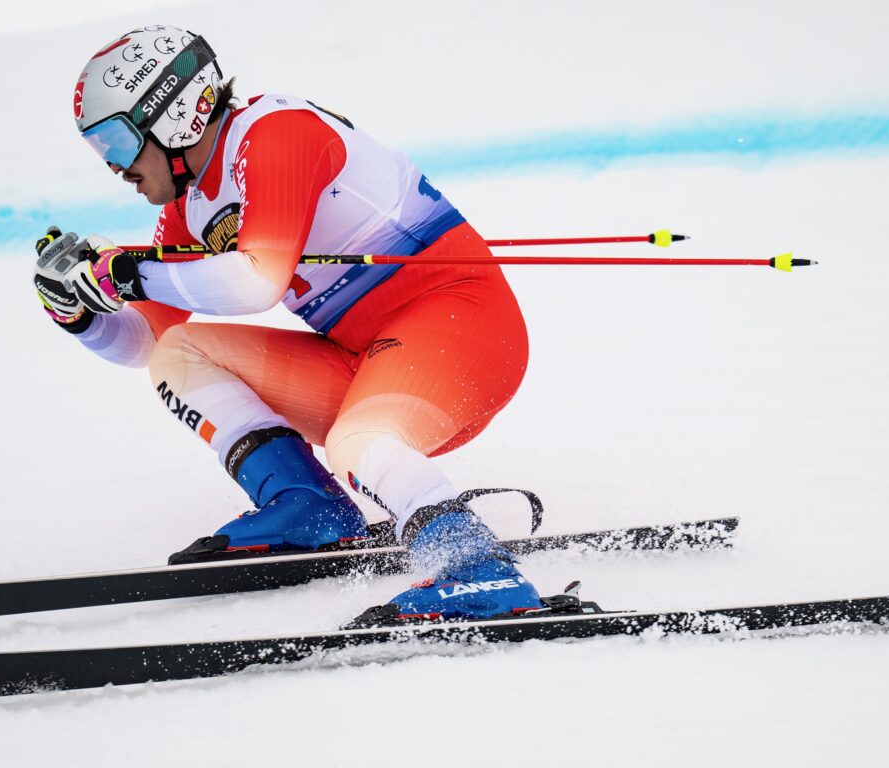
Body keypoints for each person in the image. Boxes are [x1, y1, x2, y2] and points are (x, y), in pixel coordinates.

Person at [34, 25, 548, 623]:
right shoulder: (190, 204)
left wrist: (130, 272)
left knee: (357, 444)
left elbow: (257, 279)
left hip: (463, 327)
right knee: (180, 350)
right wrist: (81, 314)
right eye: (101, 151)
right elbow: (142, 342)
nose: (117, 167)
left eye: (117, 142)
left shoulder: (276, 132)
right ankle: (306, 506)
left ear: (172, 114)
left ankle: (477, 570)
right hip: (369, 358)